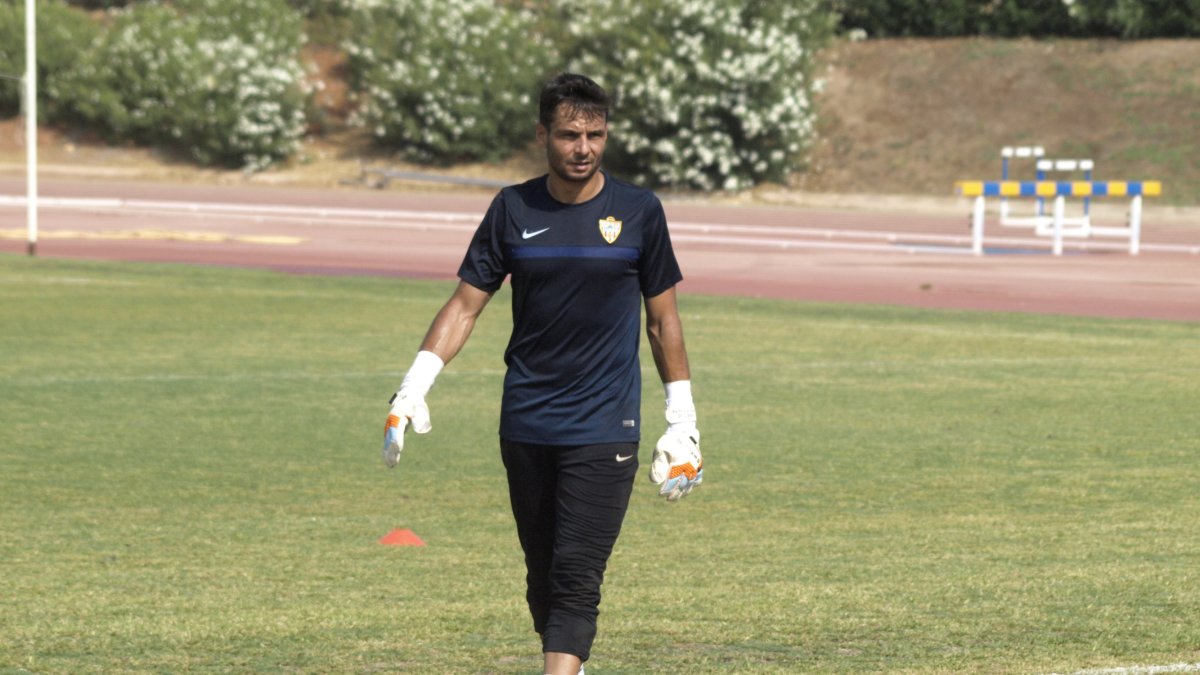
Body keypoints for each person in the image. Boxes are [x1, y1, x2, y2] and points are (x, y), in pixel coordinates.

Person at [381, 72, 703, 675]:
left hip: (606, 424)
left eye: (595, 134)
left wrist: (683, 422)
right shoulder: (512, 207)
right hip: (526, 421)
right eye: (569, 135)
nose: (583, 147)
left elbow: (664, 322)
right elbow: (464, 305)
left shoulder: (639, 212)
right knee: (544, 577)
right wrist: (415, 384)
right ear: (543, 135)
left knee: (578, 573)